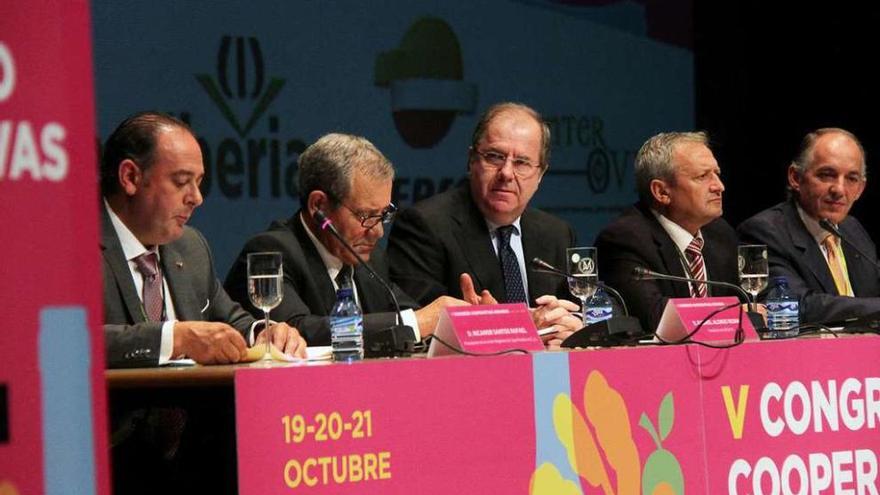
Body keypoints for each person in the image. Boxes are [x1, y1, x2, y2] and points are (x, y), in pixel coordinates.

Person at [225, 133, 483, 345]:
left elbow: (416, 317)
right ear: (319, 206)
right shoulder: (273, 252)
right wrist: (417, 322)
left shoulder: (371, 259)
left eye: (384, 214)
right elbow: (295, 330)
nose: (378, 231)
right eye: (365, 215)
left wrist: (471, 319)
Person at [100, 111, 305, 368]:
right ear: (130, 177)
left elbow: (231, 323)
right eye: (181, 182)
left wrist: (263, 333)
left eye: (198, 183)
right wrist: (174, 338)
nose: (196, 198)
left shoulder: (190, 246)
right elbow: (72, 341)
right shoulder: (71, 249)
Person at [386, 102, 581, 342]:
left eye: (521, 163)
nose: (507, 173)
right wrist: (517, 326)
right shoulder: (424, 226)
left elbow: (579, 309)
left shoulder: (556, 233)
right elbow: (420, 328)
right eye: (495, 157)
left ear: (540, 174)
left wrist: (571, 327)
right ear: (471, 160)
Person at [594, 131, 739, 332]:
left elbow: (753, 301)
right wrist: (738, 315)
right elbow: (656, 318)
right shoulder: (624, 239)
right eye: (702, 176)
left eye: (717, 174)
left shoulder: (720, 233)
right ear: (661, 192)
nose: (719, 186)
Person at [738, 128, 880, 324]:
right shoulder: (765, 231)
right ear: (795, 177)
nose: (839, 189)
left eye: (851, 179)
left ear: (860, 189)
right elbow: (796, 305)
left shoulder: (852, 229)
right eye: (827, 175)